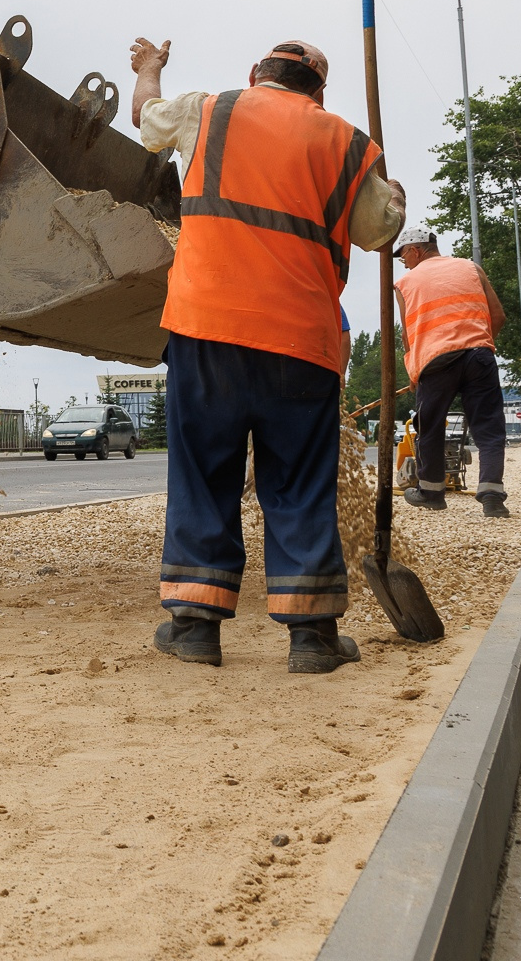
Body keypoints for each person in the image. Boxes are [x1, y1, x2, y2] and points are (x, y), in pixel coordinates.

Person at [130, 37, 405, 674]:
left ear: (256, 74)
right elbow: (378, 232)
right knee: (299, 482)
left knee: (204, 474)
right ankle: (312, 638)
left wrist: (148, 69)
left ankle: (195, 629)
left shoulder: (209, 109)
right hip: (300, 340)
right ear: (319, 92)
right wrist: (395, 198)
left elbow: (145, 120)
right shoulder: (347, 143)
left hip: (206, 328)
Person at [391, 226, 510, 517]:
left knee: (430, 427)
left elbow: (408, 337)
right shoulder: (472, 269)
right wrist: (479, 345)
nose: (404, 263)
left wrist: (414, 372)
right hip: (479, 356)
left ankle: (431, 493)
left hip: (436, 361)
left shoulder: (405, 284)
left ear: (416, 250)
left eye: (404, 256)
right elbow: (498, 316)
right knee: (489, 426)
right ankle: (492, 496)